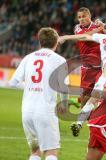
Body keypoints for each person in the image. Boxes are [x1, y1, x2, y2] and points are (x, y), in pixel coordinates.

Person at [9, 27, 68, 160]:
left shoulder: (28, 58)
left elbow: (13, 82)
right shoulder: (59, 60)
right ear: (56, 42)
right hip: (45, 111)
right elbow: (64, 87)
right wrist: (64, 104)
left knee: (35, 152)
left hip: (27, 111)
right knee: (51, 152)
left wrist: (30, 86)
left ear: (40, 42)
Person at [74, 7, 103, 107]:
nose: (81, 19)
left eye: (84, 16)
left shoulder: (98, 26)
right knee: (85, 94)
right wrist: (99, 29)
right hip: (87, 68)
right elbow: (85, 36)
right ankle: (84, 117)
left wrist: (103, 25)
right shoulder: (78, 28)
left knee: (102, 92)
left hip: (101, 67)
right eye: (79, 17)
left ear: (89, 16)